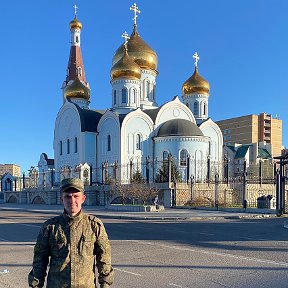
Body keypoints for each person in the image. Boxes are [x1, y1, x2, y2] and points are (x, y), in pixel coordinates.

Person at [28, 178, 114, 288]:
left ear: (83, 198)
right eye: (67, 197)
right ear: (61, 199)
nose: (72, 201)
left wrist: (105, 284)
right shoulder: (50, 227)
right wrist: (36, 285)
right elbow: (39, 261)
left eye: (76, 196)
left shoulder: (94, 226)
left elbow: (104, 259)